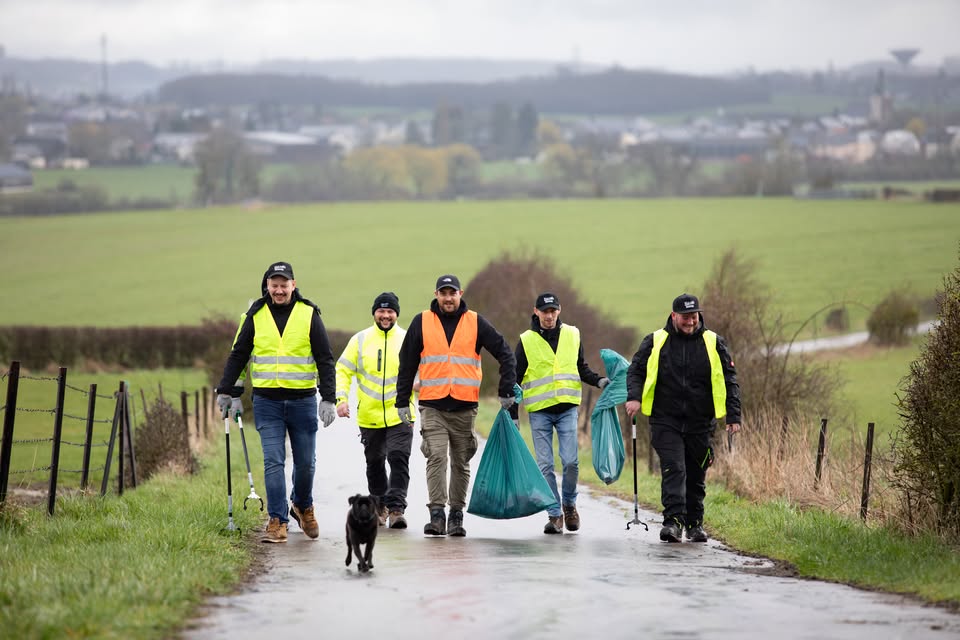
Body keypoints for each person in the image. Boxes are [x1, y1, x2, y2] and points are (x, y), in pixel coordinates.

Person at [216, 261, 338, 544]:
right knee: (273, 461)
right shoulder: (255, 315)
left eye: (284, 284)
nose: (279, 290)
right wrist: (228, 391)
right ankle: (277, 520)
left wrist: (329, 398)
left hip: (303, 401)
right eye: (275, 285)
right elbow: (239, 354)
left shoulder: (309, 314)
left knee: (306, 464)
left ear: (293, 285)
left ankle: (303, 505)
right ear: (267, 286)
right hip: (267, 401)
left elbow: (325, 358)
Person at [395, 274, 517, 537]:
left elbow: (506, 353)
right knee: (436, 457)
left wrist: (506, 389)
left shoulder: (475, 322)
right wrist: (401, 400)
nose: (448, 298)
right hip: (432, 405)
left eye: (452, 293)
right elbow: (406, 363)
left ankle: (456, 517)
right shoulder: (422, 321)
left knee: (461, 462)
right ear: (436, 294)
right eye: (443, 293)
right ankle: (437, 515)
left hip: (464, 406)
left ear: (460, 294)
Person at [624, 293, 741, 543]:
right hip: (665, 419)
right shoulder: (656, 340)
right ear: (673, 315)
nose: (690, 322)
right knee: (675, 468)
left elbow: (730, 379)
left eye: (694, 316)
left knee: (696, 474)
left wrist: (733, 415)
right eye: (686, 317)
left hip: (701, 421)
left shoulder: (714, 342)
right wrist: (634, 397)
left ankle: (694, 524)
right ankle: (673, 522)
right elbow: (635, 370)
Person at [510, 292, 609, 535]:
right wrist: (513, 413)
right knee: (545, 466)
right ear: (536, 312)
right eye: (545, 311)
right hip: (539, 412)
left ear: (559, 310)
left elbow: (581, 367)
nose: (549, 315)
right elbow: (515, 379)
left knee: (571, 462)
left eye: (553, 311)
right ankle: (554, 514)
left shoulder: (573, 334)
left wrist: (599, 381)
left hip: (567, 409)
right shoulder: (526, 341)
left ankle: (569, 504)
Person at [335, 292, 415, 530]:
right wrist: (341, 399)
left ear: (396, 314)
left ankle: (397, 509)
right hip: (369, 416)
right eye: (381, 311)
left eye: (390, 311)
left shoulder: (408, 339)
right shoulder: (360, 340)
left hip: (400, 413)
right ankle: (380, 506)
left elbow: (424, 369)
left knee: (399, 458)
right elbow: (343, 369)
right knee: (375, 463)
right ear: (374, 313)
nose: (386, 315)